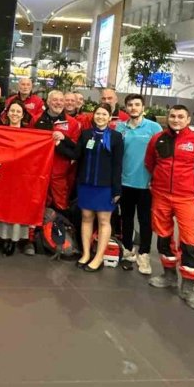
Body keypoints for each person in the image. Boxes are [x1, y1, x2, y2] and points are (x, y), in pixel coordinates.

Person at [144, 105, 194, 311]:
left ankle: (188, 288)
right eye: (173, 116)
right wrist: (159, 182)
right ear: (168, 118)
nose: (176, 119)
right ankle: (168, 276)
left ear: (188, 120)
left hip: (186, 199)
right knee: (163, 236)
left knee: (189, 241)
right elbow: (150, 162)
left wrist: (192, 186)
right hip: (160, 196)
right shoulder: (157, 139)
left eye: (180, 117)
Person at [58, 103, 123, 272]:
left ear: (110, 117)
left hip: (105, 186)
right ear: (93, 116)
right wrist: (60, 142)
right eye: (98, 114)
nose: (100, 117)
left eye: (104, 114)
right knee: (86, 218)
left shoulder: (116, 137)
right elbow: (76, 154)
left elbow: (117, 166)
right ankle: (86, 253)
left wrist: (117, 189)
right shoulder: (86, 134)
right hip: (86, 184)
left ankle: (98, 257)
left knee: (103, 221)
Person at [117, 94, 163, 275]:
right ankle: (128, 251)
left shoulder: (154, 127)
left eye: (137, 105)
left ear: (143, 107)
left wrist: (156, 179)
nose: (133, 107)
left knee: (145, 221)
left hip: (147, 184)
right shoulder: (121, 128)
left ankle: (144, 254)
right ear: (126, 108)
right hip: (125, 182)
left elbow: (161, 156)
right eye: (130, 105)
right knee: (126, 219)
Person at [0, 102, 33, 256]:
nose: (15, 113)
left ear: (23, 115)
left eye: (18, 111)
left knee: (15, 210)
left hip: (19, 178)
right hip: (0, 176)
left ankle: (12, 241)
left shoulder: (30, 134)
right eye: (12, 111)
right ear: (7, 113)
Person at [32, 90, 82, 229]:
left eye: (61, 100)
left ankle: (60, 239)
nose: (58, 103)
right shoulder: (36, 119)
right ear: (47, 102)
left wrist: (62, 141)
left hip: (60, 175)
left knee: (61, 206)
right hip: (38, 172)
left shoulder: (72, 123)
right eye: (55, 100)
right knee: (36, 204)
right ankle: (33, 239)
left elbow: (76, 151)